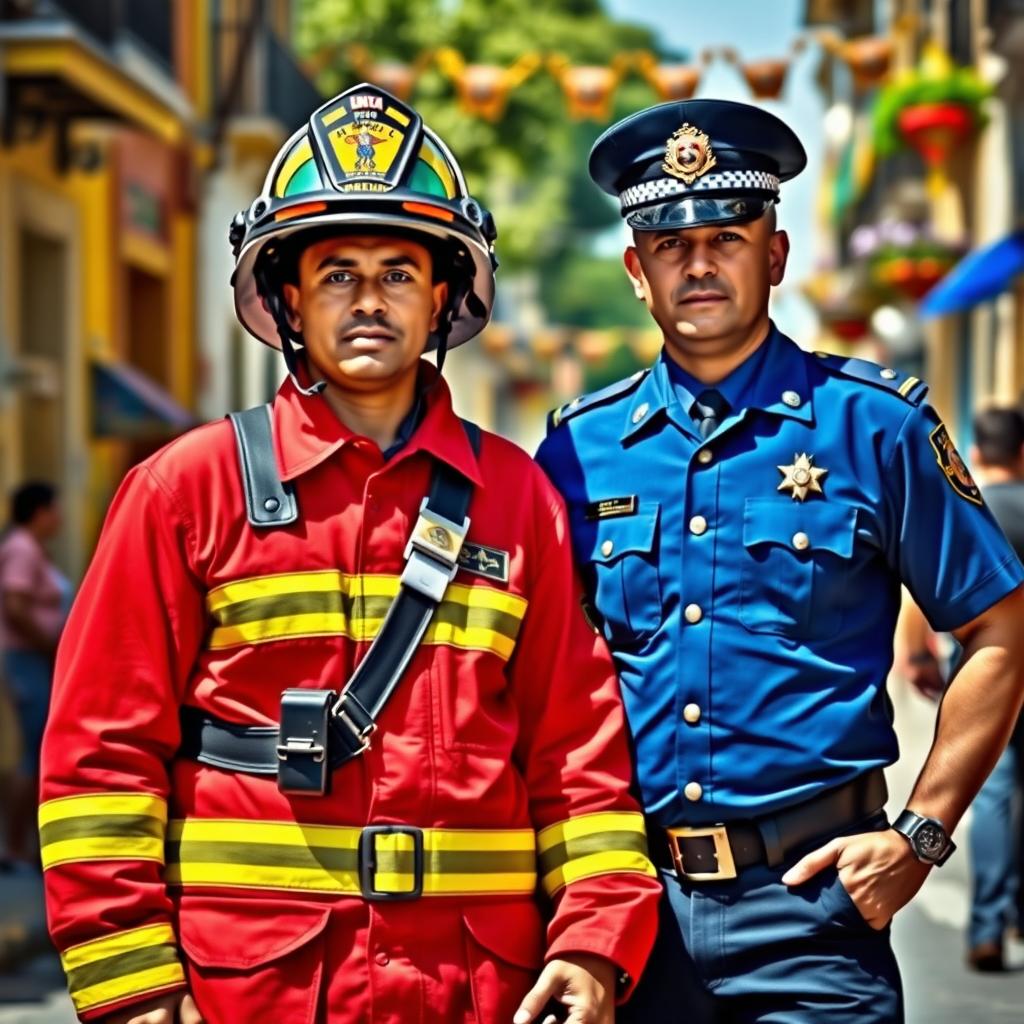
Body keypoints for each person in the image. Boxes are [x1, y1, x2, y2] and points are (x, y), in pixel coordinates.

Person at [39, 84, 660, 1024]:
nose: (369, 300)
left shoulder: (516, 498)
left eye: (399, 274)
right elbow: (100, 756)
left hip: (479, 991)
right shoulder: (184, 490)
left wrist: (592, 941)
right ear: (289, 296)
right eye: (338, 274)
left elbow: (576, 747)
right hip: (252, 993)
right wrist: (129, 982)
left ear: (444, 295)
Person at [535, 98, 1024, 1023]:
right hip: (628, 914)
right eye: (671, 245)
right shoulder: (576, 451)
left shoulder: (876, 426)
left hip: (814, 917)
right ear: (638, 272)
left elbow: (999, 630)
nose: (700, 263)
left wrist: (920, 838)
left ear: (776, 255)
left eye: (726, 236)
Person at [894, 405, 1024, 971]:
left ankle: (988, 925)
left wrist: (917, 652)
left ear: (976, 455)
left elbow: (919, 587)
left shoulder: (969, 505)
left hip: (982, 669)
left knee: (995, 793)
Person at [0, 481, 69, 865]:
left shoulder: (32, 549)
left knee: (35, 749)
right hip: (29, 660)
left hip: (34, 659)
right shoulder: (22, 549)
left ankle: (20, 843)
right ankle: (14, 845)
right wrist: (48, 646)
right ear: (39, 512)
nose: (59, 518)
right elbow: (15, 605)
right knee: (34, 751)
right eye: (55, 509)